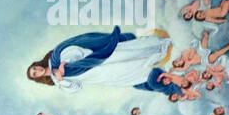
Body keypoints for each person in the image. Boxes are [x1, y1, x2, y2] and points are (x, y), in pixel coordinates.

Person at [26, 26, 173, 93]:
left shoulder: (55, 57)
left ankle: (160, 45)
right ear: (38, 78)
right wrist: (62, 78)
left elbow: (76, 50)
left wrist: (65, 63)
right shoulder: (57, 81)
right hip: (96, 75)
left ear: (37, 64)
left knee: (126, 53)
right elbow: (76, 87)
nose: (37, 70)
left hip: (96, 60)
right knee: (126, 71)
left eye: (34, 68)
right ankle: (156, 62)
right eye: (35, 74)